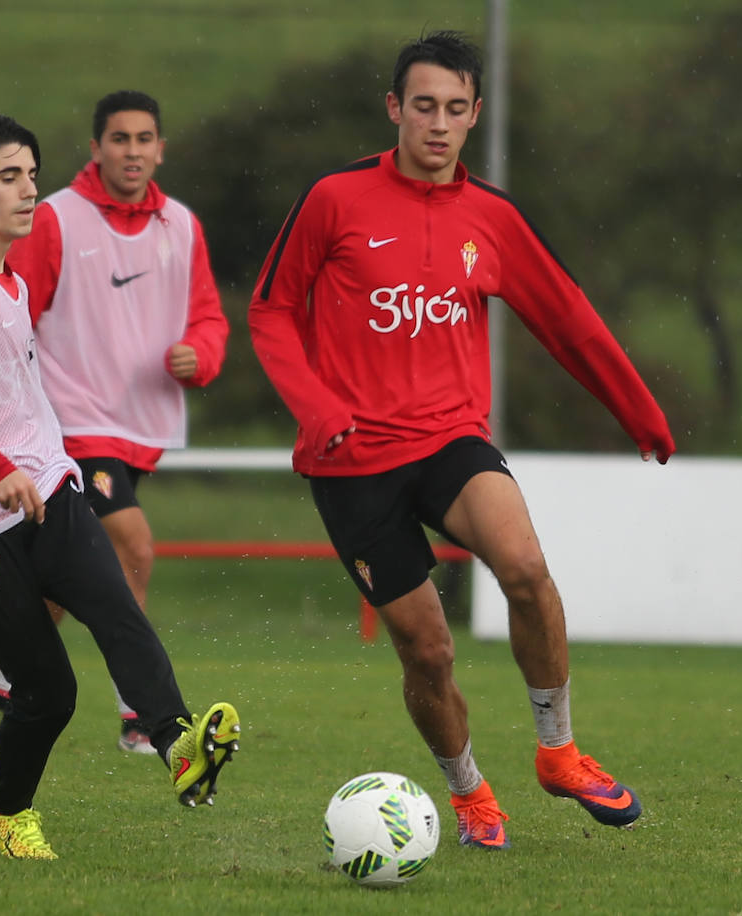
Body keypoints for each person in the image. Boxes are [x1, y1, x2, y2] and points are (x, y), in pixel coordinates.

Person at [247, 31, 674, 850]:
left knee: (525, 568)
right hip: (350, 462)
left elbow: (570, 324)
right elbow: (270, 310)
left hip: (450, 439)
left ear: (475, 114)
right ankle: (471, 792)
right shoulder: (335, 199)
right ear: (394, 110)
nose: (437, 125)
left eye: (453, 109)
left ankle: (559, 752)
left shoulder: (494, 217)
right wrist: (315, 403)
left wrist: (640, 413)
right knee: (429, 649)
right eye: (422, 107)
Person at [0, 112, 239, 859]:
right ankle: (5, 813)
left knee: (115, 606)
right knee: (48, 694)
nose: (29, 192)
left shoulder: (10, 280)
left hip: (47, 484)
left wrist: (30, 464)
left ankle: (180, 746)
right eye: (8, 177)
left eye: (32, 175)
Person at [0, 91, 229, 756]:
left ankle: (1, 687)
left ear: (160, 149)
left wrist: (203, 356)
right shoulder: (56, 219)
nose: (132, 151)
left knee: (65, 568)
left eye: (144, 139)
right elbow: (11, 306)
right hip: (71, 424)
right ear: (96, 148)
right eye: (119, 139)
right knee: (132, 547)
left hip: (140, 426)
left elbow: (209, 316)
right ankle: (141, 714)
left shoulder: (182, 226)